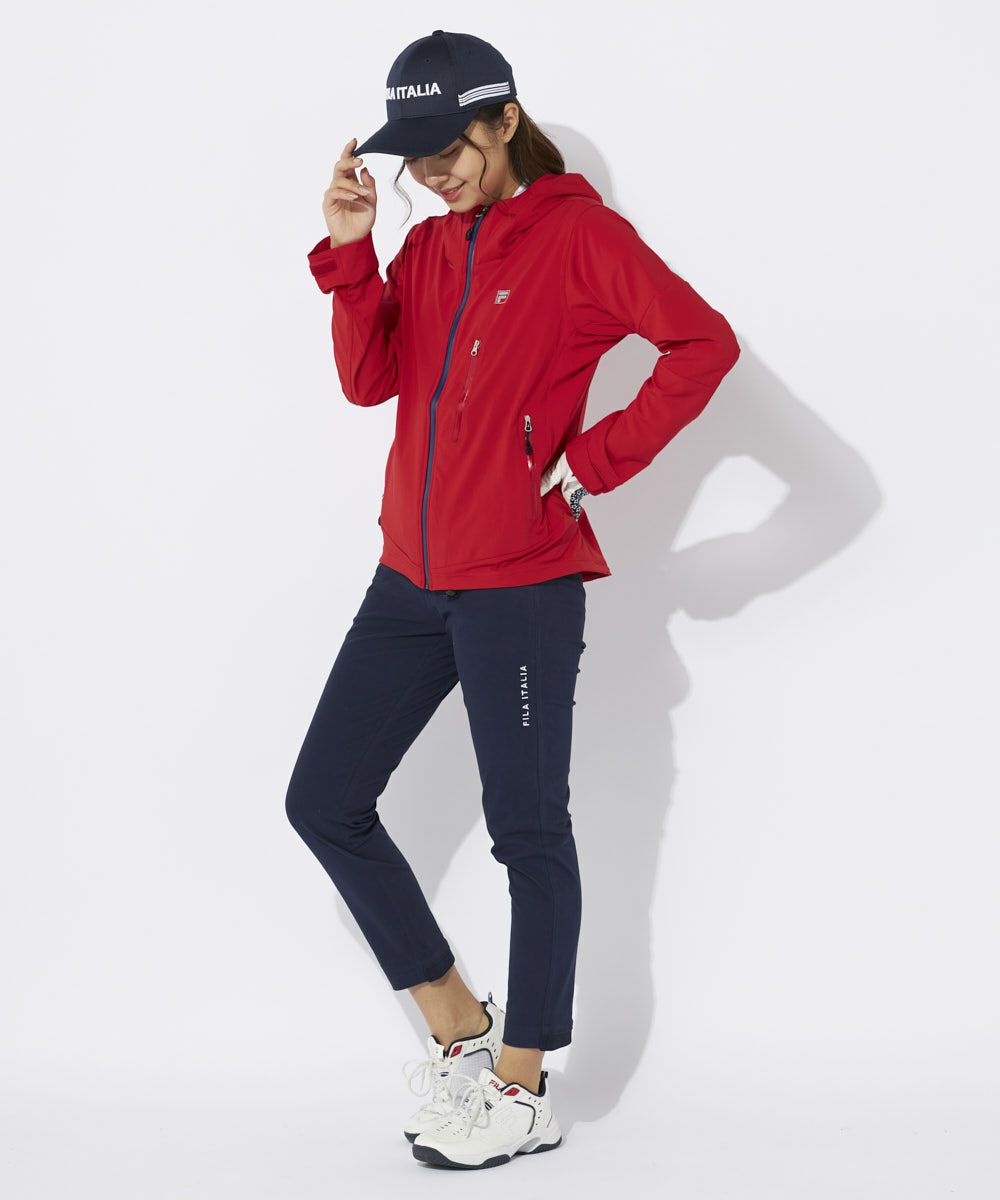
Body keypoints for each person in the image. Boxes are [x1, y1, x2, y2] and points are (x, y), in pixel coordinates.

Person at [285, 29, 741, 1170]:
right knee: (323, 800)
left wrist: (593, 459)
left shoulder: (582, 237)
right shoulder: (431, 244)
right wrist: (353, 251)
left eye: (448, 145)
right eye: (413, 154)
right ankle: (459, 1027)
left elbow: (703, 343)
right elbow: (368, 380)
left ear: (503, 118)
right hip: (409, 577)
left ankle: (524, 1086)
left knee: (527, 831)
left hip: (522, 586)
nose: (431, 171)